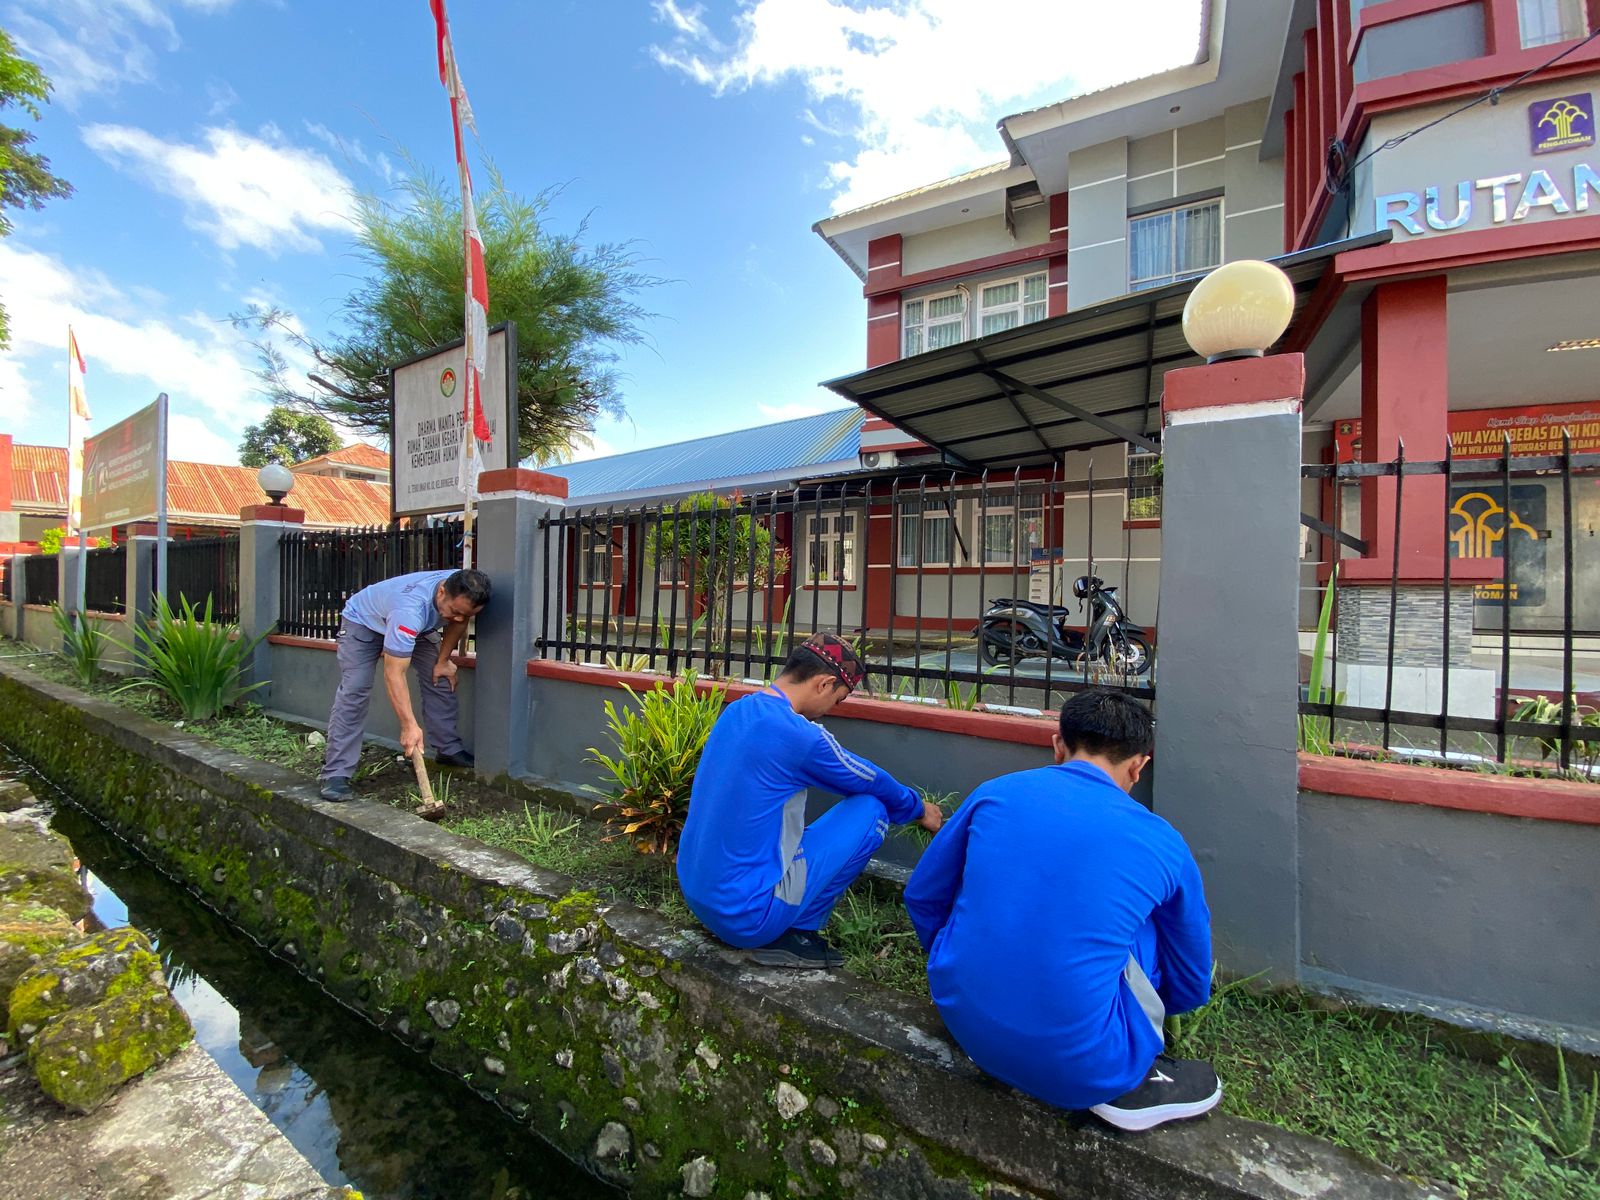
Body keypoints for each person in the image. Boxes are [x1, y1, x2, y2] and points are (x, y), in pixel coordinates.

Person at [903, 689, 1219, 1132]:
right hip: (1090, 1068)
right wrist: (1159, 1015)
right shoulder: (1162, 840)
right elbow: (1190, 968)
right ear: (1138, 766)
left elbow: (923, 895)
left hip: (961, 1018)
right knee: (1144, 922)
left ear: (1057, 746)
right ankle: (1139, 1066)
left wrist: (954, 964)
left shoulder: (995, 794)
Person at [676, 633, 944, 968]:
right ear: (824, 683)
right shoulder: (800, 736)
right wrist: (919, 809)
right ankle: (799, 934)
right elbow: (870, 780)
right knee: (872, 809)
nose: (830, 711)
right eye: (837, 700)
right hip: (745, 917)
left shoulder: (738, 710)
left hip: (698, 895)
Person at [317, 567, 491, 802]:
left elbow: (460, 622)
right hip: (364, 622)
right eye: (455, 612)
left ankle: (448, 749)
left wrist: (442, 661)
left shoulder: (465, 586)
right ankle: (335, 773)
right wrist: (409, 726)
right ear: (441, 592)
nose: (459, 618)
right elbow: (394, 673)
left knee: (440, 676)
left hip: (418, 627)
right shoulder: (409, 611)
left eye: (466, 614)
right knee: (355, 689)